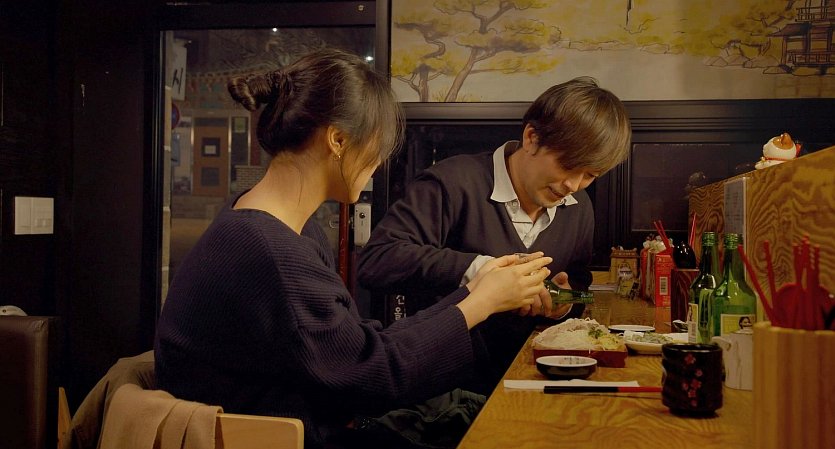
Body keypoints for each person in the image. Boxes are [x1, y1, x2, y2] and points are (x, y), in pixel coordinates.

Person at [153, 48, 554, 449]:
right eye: (379, 145)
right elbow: (373, 378)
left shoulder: (274, 224)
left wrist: (475, 293)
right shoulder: (271, 250)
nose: (380, 161)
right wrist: (480, 303)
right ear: (338, 140)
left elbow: (356, 348)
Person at [357, 77, 632, 393]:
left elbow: (579, 285)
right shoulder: (453, 182)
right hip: (441, 389)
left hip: (531, 382)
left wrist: (563, 305)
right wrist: (481, 271)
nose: (573, 185)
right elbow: (377, 260)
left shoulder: (578, 207)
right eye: (568, 165)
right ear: (531, 138)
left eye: (590, 175)